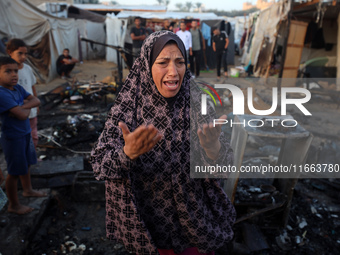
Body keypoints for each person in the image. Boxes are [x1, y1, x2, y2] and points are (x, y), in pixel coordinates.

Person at [91, 31, 235, 254]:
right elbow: (100, 165)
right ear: (147, 65)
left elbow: (225, 166)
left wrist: (212, 148)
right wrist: (126, 153)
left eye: (180, 62)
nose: (173, 72)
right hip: (147, 225)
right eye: (163, 63)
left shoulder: (198, 101)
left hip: (193, 223)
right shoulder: (129, 104)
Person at [0, 56, 46, 215]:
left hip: (25, 134)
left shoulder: (17, 88)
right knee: (13, 173)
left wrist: (21, 107)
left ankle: (28, 190)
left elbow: (36, 100)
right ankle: (14, 204)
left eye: (15, 71)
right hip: (13, 138)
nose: (14, 74)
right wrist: (24, 109)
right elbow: (22, 115)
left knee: (26, 165)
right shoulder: (2, 93)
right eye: (8, 71)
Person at [6, 38, 39, 148]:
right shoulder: (6, 72)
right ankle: (24, 158)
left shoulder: (28, 69)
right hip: (16, 111)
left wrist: (36, 105)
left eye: (25, 54)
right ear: (10, 52)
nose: (24, 57)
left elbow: (32, 86)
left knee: (33, 135)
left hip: (31, 109)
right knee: (21, 136)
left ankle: (32, 157)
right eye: (20, 53)